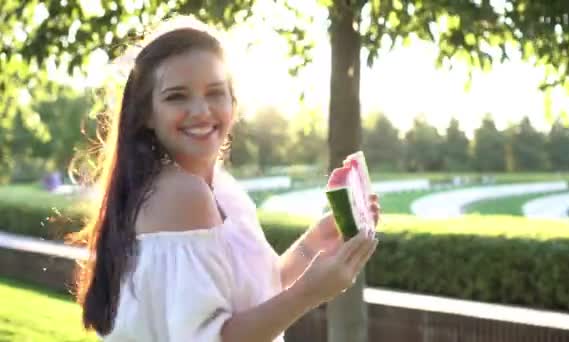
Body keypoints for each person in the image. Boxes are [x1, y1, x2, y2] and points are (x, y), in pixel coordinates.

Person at [71, 16, 380, 342]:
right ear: (146, 113)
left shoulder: (219, 187)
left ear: (233, 102)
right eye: (177, 96)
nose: (201, 110)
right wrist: (309, 293)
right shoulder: (181, 194)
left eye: (215, 92)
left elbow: (257, 291)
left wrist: (314, 243)